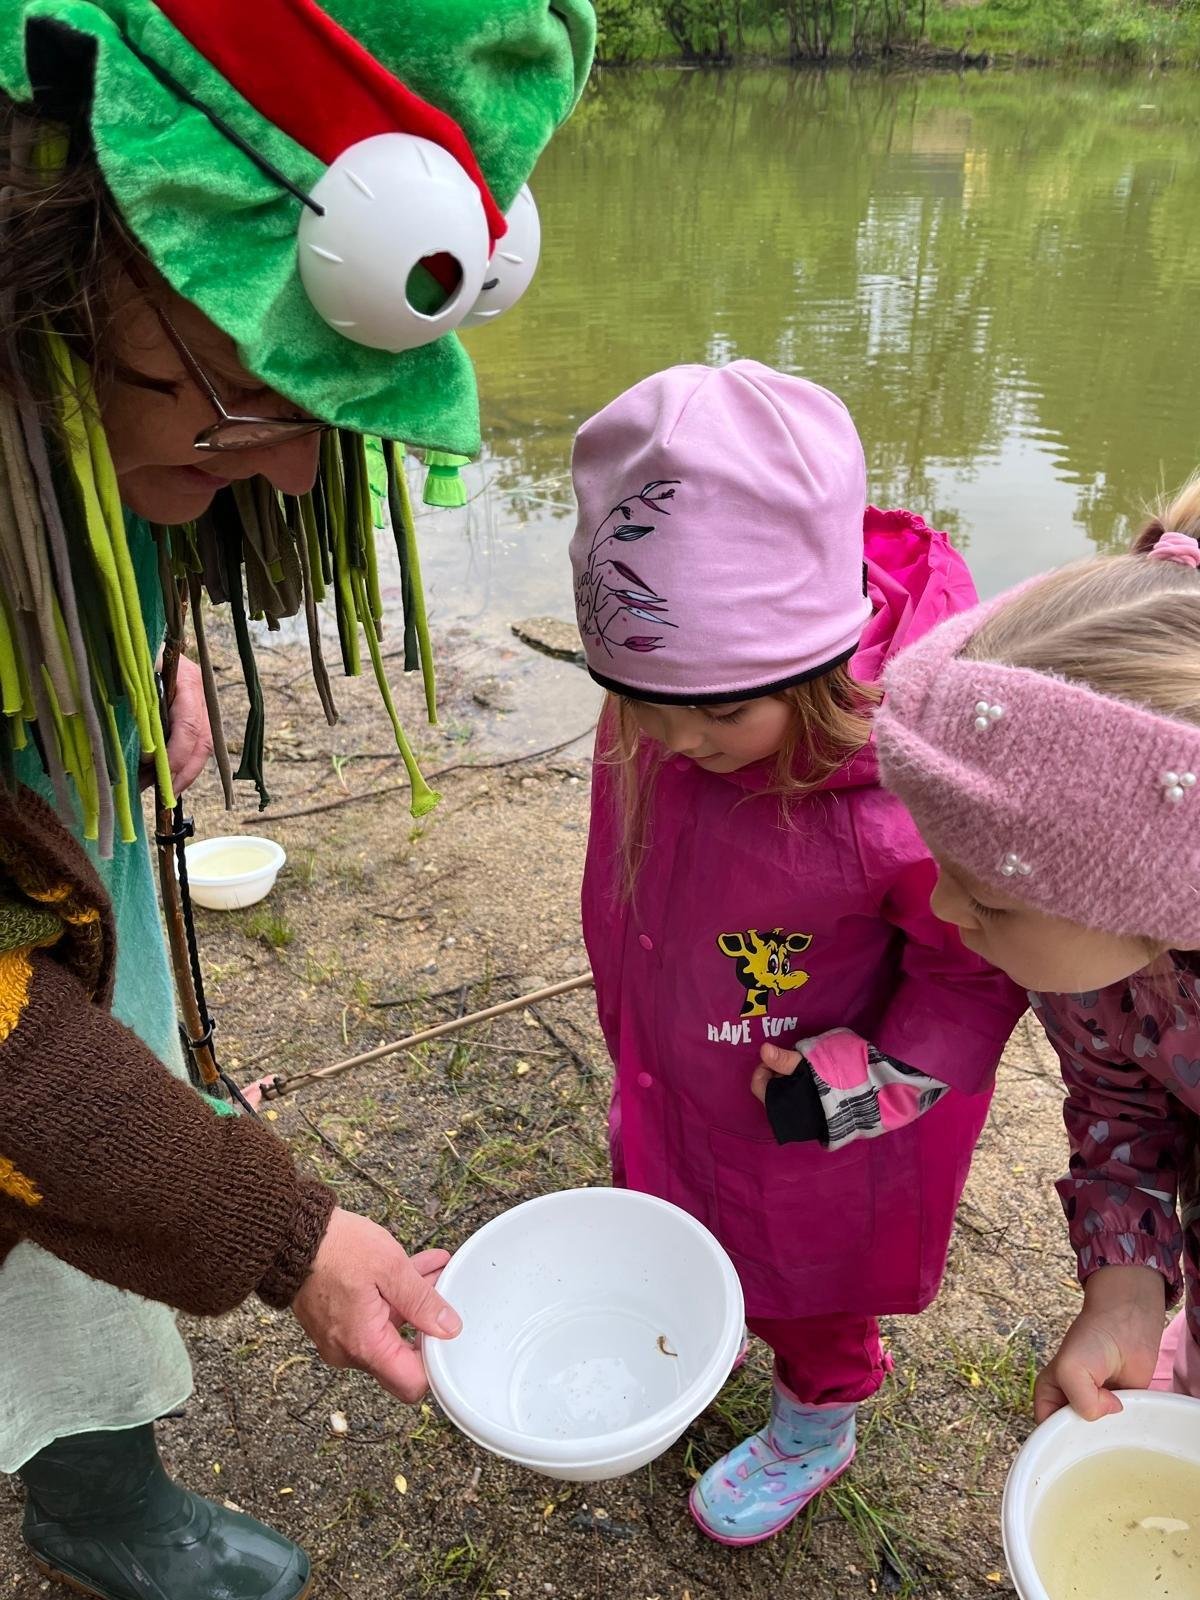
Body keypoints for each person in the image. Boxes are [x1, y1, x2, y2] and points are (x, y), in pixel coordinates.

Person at [0, 3, 594, 1597]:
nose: (292, 475)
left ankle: (93, 1489)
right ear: (54, 251)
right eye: (249, 403)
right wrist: (284, 1234)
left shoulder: (64, 419)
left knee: (95, 1097)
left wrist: (134, 659)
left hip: (60, 872)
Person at [570, 361, 1025, 1547]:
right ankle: (701, 1323)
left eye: (721, 713)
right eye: (642, 703)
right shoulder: (670, 708)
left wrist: (859, 1090)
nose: (676, 739)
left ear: (815, 669)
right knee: (676, 1215)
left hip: (809, 1126)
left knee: (809, 1284)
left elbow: (975, 978)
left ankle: (819, 1420)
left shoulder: (904, 803)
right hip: (673, 1067)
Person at [875, 487, 1200, 1430]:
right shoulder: (1103, 977)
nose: (943, 910)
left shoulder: (1107, 936)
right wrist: (1128, 1288)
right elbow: (1124, 1108)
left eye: (992, 898)